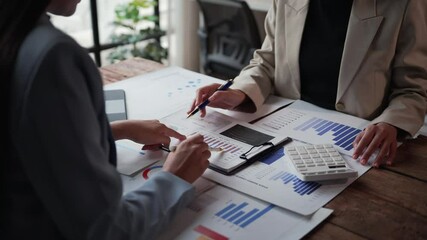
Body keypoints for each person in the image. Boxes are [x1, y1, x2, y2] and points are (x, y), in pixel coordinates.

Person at [1, 0, 211, 239]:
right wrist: (175, 177)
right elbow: (107, 230)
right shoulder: (52, 56)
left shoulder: (13, 32)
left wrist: (112, 131)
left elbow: (25, 143)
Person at [189, 0, 427, 168]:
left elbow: (412, 88)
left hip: (358, 145)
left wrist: (391, 122)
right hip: (285, 134)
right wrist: (240, 91)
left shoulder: (404, 4)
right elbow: (266, 62)